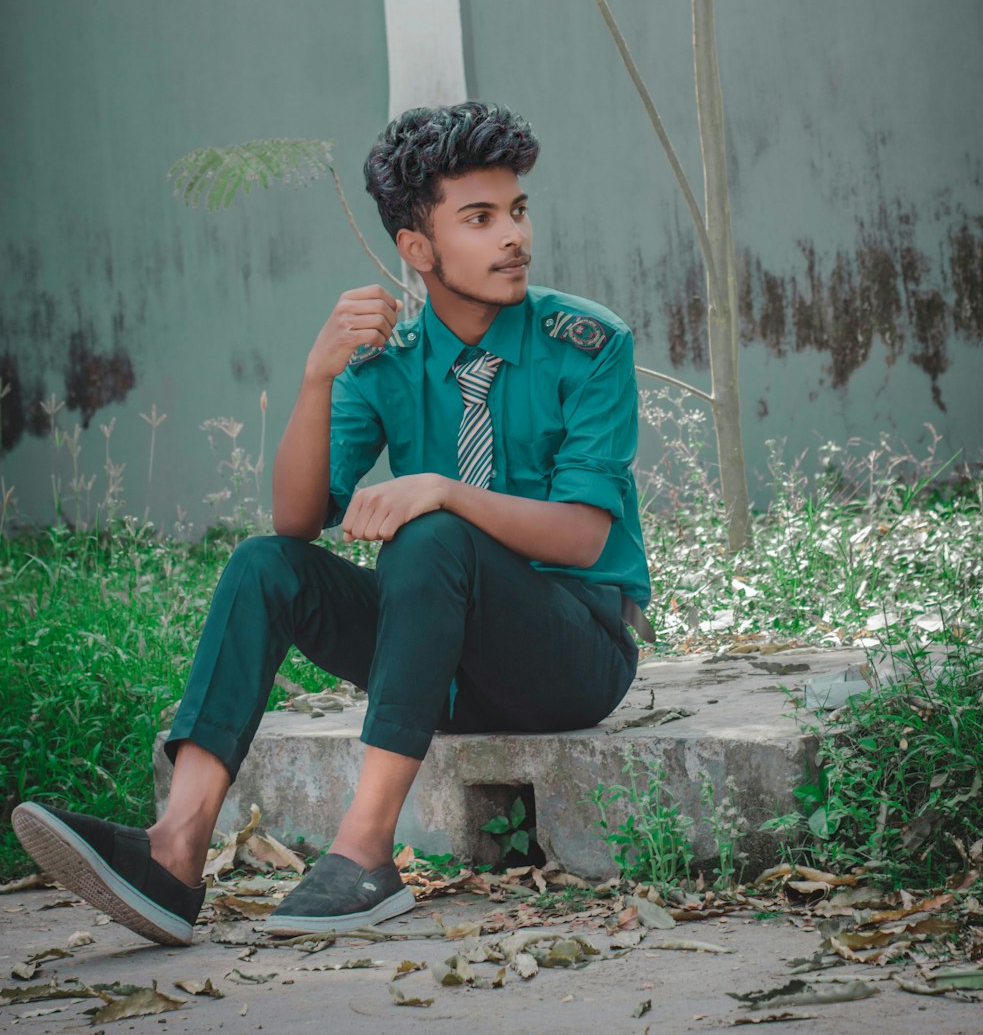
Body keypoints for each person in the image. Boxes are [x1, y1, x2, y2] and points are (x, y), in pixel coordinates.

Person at [13, 100, 652, 947]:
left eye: (518, 211)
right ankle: (174, 851)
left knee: (430, 531)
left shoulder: (586, 343)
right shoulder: (385, 364)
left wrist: (443, 492)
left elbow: (584, 538)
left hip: (573, 655)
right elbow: (295, 520)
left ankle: (362, 855)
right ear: (418, 250)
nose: (515, 238)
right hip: (442, 665)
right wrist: (317, 378)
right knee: (260, 565)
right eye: (481, 218)